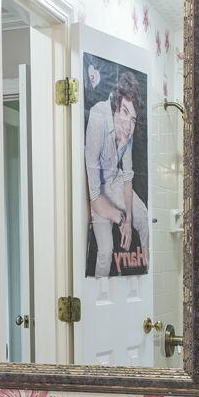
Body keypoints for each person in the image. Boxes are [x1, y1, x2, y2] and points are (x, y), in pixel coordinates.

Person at [85, 81, 149, 277]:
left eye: (133, 119)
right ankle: (98, 295)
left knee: (144, 217)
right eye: (124, 112)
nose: (128, 126)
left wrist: (129, 218)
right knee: (105, 250)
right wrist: (121, 219)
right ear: (115, 106)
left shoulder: (126, 132)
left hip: (115, 180)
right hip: (96, 187)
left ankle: (147, 272)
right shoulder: (98, 118)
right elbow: (95, 196)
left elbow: (128, 177)